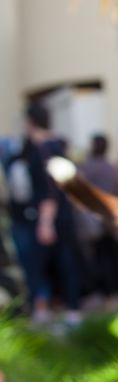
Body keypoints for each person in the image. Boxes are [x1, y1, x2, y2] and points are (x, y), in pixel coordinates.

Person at [1, 104, 83, 326]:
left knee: (42, 266)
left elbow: (49, 190)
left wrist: (45, 222)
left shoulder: (41, 150)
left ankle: (46, 310)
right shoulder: (59, 146)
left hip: (46, 218)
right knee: (66, 264)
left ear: (30, 121)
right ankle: (71, 310)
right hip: (62, 216)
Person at [77, 134, 118, 307]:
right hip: (111, 217)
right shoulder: (111, 168)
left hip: (95, 218)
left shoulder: (87, 168)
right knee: (117, 256)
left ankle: (107, 293)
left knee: (101, 258)